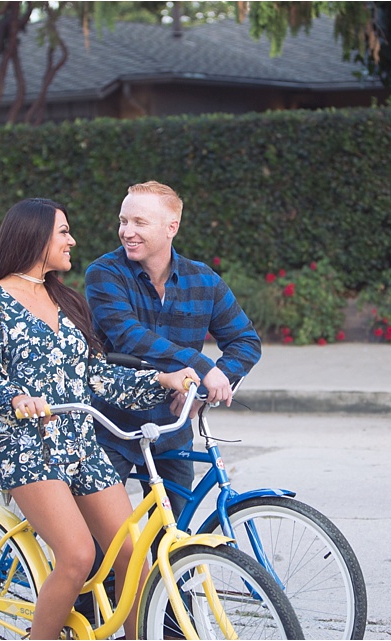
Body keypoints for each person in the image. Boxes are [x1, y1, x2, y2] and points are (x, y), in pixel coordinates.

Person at [0, 197, 199, 640]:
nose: (72, 240)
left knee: (133, 553)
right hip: (26, 447)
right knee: (75, 557)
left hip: (80, 442)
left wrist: (162, 380)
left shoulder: (66, 299)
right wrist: (17, 397)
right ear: (35, 239)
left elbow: (99, 376)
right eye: (63, 232)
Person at [85, 181, 262, 520]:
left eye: (139, 222)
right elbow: (128, 336)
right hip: (111, 427)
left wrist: (215, 379)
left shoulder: (203, 281)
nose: (127, 231)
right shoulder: (104, 273)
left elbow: (245, 340)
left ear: (172, 228)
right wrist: (200, 366)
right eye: (123, 221)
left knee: (175, 538)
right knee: (101, 546)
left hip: (171, 428)